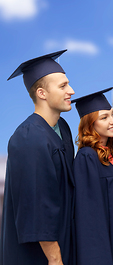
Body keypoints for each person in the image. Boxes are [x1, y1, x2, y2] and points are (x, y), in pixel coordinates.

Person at [1, 50, 76, 265]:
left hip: (63, 240)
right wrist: (55, 260)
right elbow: (36, 207)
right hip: (39, 256)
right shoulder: (28, 138)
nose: (71, 91)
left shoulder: (61, 127)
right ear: (42, 93)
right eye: (62, 86)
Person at [71, 88, 113, 265]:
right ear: (89, 125)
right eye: (104, 118)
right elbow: (89, 217)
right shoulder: (87, 157)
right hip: (104, 246)